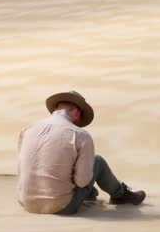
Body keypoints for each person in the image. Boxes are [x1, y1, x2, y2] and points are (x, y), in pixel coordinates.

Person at [16, 90, 145, 215]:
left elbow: (21, 169)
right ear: (78, 114)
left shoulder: (27, 130)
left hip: (27, 204)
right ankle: (120, 195)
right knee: (97, 161)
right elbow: (82, 182)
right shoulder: (80, 135)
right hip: (61, 207)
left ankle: (90, 194)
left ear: (56, 108)